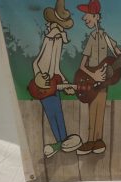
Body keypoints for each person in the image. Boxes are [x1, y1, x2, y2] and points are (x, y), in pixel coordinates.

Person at [76, 0, 121, 155]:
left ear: (96, 16)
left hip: (103, 82)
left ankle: (98, 140)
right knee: (92, 110)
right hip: (90, 80)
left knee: (100, 109)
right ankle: (90, 140)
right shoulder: (91, 38)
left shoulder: (106, 37)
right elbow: (82, 65)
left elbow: (119, 55)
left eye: (87, 15)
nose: (84, 18)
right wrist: (93, 74)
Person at [34, 0, 84, 158]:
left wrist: (66, 84)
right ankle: (60, 141)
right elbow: (38, 63)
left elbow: (56, 69)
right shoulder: (50, 39)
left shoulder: (57, 41)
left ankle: (61, 141)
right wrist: (40, 77)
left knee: (57, 112)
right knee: (53, 111)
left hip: (53, 83)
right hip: (43, 84)